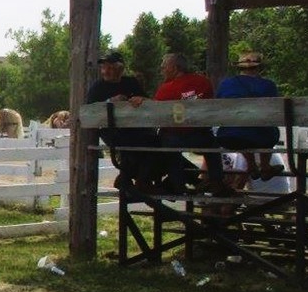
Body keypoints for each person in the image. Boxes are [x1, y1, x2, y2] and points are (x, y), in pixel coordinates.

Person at [132, 53, 227, 195]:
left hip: (174, 136)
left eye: (164, 66)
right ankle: (216, 181)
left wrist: (144, 101)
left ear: (175, 68)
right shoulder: (203, 82)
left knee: (167, 143)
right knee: (212, 144)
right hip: (201, 136)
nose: (161, 69)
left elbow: (157, 112)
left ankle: (178, 184)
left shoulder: (167, 88)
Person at [84, 52, 167, 193]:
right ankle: (139, 180)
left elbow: (148, 103)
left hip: (135, 129)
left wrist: (141, 99)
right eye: (104, 68)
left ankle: (130, 178)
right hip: (112, 131)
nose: (105, 71)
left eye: (110, 68)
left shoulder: (131, 82)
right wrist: (110, 102)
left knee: (157, 143)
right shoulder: (98, 87)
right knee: (145, 145)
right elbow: (90, 111)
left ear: (120, 69)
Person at [215, 52, 283, 181]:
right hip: (260, 137)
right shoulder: (268, 85)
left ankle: (252, 166)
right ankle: (265, 167)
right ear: (259, 67)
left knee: (241, 128)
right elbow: (273, 113)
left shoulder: (225, 84)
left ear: (239, 67)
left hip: (227, 136)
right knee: (266, 128)